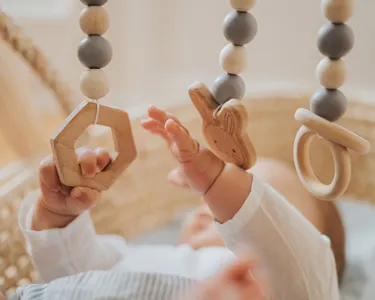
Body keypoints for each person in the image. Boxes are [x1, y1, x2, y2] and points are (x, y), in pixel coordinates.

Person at [7, 106, 342, 299]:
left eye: (258, 197)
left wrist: (219, 181)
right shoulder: (144, 258)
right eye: (211, 199)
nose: (210, 205)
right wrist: (60, 219)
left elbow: (293, 256)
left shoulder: (296, 285)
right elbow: (71, 281)